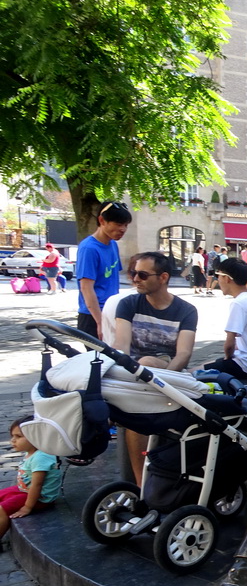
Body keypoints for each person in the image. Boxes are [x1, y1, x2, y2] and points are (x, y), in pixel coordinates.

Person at [114, 252, 198, 485]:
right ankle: (141, 482)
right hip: (134, 374)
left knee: (146, 365)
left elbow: (183, 353)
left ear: (163, 277)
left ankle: (143, 481)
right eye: (133, 274)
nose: (135, 279)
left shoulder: (185, 310)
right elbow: (120, 346)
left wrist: (164, 381)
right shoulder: (128, 303)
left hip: (169, 372)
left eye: (142, 274)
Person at [76, 200, 132, 340]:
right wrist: (100, 323)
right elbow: (86, 288)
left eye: (125, 225)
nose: (123, 229)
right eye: (118, 224)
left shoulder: (113, 244)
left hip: (112, 311)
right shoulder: (89, 248)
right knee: (99, 361)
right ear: (102, 221)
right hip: (93, 317)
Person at [1, 417, 60, 541]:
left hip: (40, 497)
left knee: (1, 510)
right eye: (13, 436)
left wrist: (27, 507)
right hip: (25, 489)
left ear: (35, 437)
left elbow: (37, 484)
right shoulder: (32, 452)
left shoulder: (41, 457)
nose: (13, 440)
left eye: (18, 436)